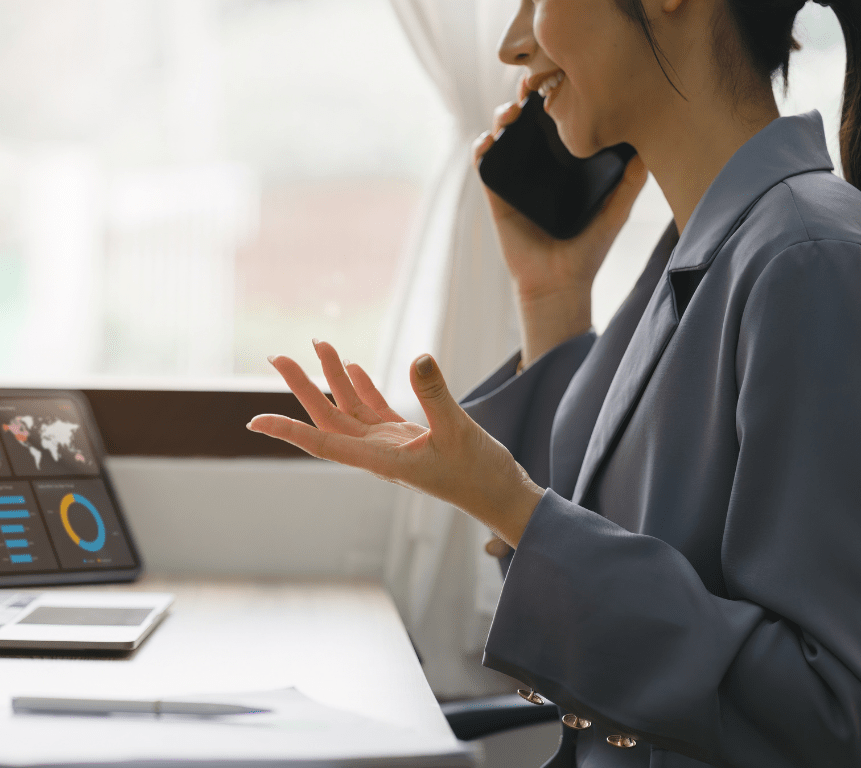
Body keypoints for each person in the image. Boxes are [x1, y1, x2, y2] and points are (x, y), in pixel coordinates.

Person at [247, 0, 861, 765]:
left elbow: (833, 713)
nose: (515, 42)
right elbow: (601, 541)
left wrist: (510, 506)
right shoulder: (705, 255)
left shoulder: (808, 261)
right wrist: (552, 296)